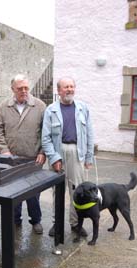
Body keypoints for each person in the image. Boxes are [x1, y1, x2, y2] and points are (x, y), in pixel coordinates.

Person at [41, 77, 94, 237]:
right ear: (59, 91)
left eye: (71, 86)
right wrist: (54, 158)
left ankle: (76, 223)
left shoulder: (83, 108)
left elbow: (89, 133)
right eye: (66, 87)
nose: (69, 89)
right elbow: (46, 137)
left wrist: (89, 157)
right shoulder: (51, 110)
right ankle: (56, 223)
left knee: (77, 190)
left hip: (77, 152)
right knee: (57, 191)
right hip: (58, 151)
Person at [0, 74, 46, 234]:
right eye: (20, 88)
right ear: (13, 89)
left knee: (33, 193)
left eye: (26, 88)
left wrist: (43, 152)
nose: (24, 91)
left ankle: (35, 220)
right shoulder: (4, 106)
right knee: (13, 191)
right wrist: (4, 150)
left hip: (33, 158)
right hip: (11, 159)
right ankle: (15, 220)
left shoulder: (39, 105)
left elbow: (47, 131)